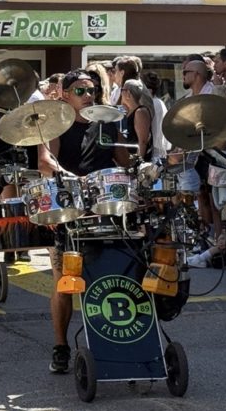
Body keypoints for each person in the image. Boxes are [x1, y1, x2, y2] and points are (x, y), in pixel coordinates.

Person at [38, 70, 129, 374]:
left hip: (105, 206)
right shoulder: (57, 123)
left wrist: (140, 161)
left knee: (117, 270)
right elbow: (45, 161)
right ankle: (61, 346)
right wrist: (69, 177)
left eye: (92, 90)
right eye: (80, 91)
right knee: (64, 281)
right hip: (69, 207)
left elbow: (124, 161)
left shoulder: (106, 122)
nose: (88, 96)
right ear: (65, 94)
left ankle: (119, 338)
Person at [118, 79, 153, 159]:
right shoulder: (128, 112)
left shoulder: (140, 112)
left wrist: (138, 161)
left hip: (136, 159)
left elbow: (143, 141)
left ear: (128, 93)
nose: (121, 94)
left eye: (122, 90)